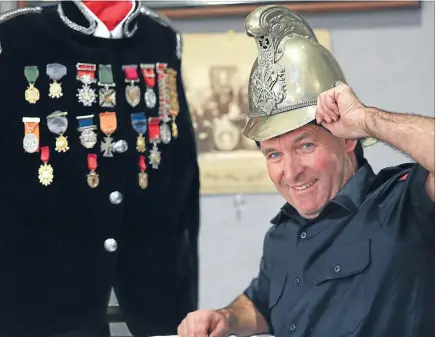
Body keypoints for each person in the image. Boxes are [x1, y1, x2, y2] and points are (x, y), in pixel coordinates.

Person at [178, 5, 434, 337]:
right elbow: (260, 303)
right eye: (273, 154)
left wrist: (366, 120)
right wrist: (227, 318)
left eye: (305, 146)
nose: (290, 172)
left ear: (347, 141)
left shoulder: (402, 206)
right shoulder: (283, 233)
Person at [0, 1, 199, 336]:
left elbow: (182, 174)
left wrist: (183, 285)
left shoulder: (161, 39)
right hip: (43, 294)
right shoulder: (16, 37)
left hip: (153, 289)